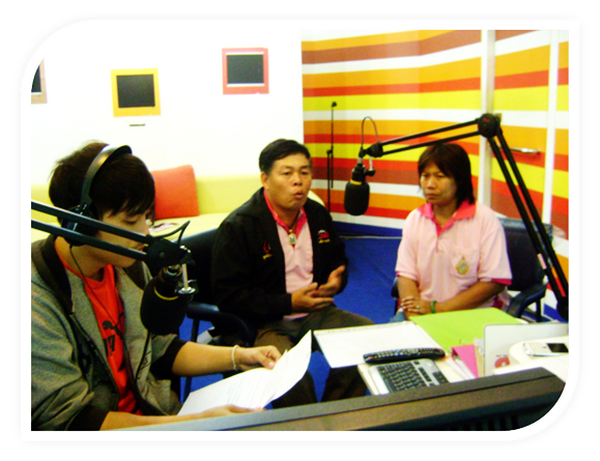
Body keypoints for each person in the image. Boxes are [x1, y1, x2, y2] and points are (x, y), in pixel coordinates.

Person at [31, 142, 281, 431]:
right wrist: (192, 424)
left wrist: (238, 357)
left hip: (156, 414)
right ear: (81, 224)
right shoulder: (37, 299)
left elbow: (160, 350)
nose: (145, 232)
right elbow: (71, 421)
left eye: (146, 217)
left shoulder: (127, 265)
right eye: (130, 220)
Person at [211, 139, 373, 408]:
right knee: (290, 376)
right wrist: (289, 303)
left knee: (367, 339)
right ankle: (304, 427)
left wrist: (336, 281)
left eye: (304, 172)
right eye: (287, 173)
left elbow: (338, 258)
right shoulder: (239, 226)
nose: (298, 181)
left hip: (317, 312)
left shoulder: (316, 214)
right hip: (267, 322)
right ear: (265, 179)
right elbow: (228, 296)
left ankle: (337, 415)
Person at [393, 143, 512, 321]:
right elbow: (406, 275)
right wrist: (413, 317)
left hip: (471, 315)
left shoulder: (485, 220)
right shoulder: (415, 219)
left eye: (440, 176)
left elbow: (493, 282)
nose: (430, 185)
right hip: (421, 312)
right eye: (425, 176)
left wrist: (437, 309)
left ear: (460, 180)